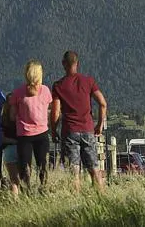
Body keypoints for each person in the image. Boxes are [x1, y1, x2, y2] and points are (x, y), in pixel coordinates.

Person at [51, 50, 108, 192]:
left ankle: (75, 203)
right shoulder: (88, 81)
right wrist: (99, 125)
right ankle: (101, 200)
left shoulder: (58, 86)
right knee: (94, 170)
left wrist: (53, 130)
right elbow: (102, 103)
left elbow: (56, 112)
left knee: (74, 172)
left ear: (63, 64)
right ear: (77, 63)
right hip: (88, 129)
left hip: (70, 131)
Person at [9, 60, 53, 191]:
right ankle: (43, 189)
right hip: (42, 134)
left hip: (24, 135)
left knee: (24, 167)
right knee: (43, 165)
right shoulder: (45, 91)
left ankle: (26, 192)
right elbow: (49, 109)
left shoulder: (18, 93)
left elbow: (12, 115)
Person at [0, 90, 21, 195]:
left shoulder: (3, 120)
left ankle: (14, 201)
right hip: (22, 149)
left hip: (9, 150)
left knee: (13, 180)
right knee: (24, 178)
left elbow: (2, 139)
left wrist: (13, 141)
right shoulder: (21, 119)